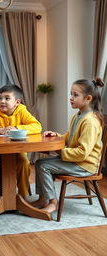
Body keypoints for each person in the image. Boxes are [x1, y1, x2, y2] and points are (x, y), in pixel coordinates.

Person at [32, 78, 105, 213]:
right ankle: (43, 198)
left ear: (88, 98)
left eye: (75, 95)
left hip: (85, 165)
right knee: (39, 163)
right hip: (77, 161)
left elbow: (83, 152)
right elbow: (69, 136)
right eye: (71, 94)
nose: (71, 98)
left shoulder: (90, 121)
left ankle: (53, 203)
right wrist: (55, 136)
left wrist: (59, 151)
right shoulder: (78, 116)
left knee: (43, 165)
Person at [0, 85, 42, 197]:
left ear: (17, 102)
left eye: (7, 98)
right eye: (0, 98)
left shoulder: (22, 111)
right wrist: (0, 129)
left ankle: (23, 195)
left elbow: (37, 126)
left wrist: (18, 128)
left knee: (24, 162)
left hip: (17, 152)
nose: (2, 101)